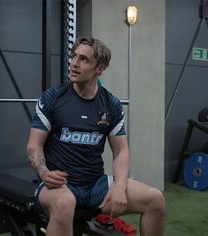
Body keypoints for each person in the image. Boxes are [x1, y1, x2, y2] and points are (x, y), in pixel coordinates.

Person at [27, 37, 165, 236]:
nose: (74, 63)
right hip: (58, 184)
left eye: (84, 59)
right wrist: (43, 172)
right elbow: (34, 145)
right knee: (64, 204)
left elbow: (121, 150)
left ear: (99, 68)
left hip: (95, 184)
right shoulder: (52, 98)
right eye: (74, 56)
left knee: (155, 199)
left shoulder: (111, 104)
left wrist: (119, 186)